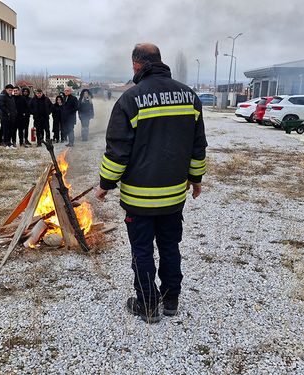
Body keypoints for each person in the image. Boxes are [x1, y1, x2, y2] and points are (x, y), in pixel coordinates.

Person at [95, 43, 207, 324]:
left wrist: (105, 184)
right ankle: (170, 299)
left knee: (142, 250)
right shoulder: (189, 96)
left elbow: (117, 151)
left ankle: (146, 304)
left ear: (136, 65)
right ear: (160, 61)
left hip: (139, 199)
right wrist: (196, 179)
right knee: (170, 245)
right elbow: (197, 146)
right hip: (173, 197)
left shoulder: (130, 99)